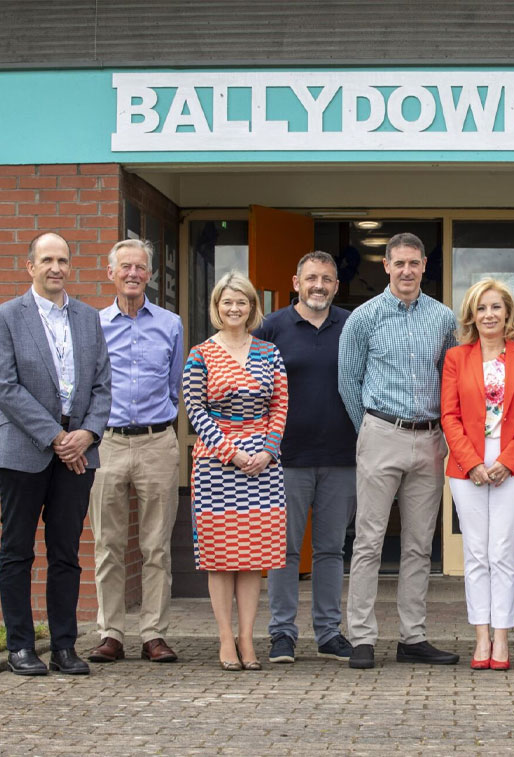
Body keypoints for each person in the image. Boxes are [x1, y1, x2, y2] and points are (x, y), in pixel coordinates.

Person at [338, 232, 459, 669]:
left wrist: (444, 432)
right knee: (368, 541)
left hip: (429, 438)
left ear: (425, 265)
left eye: (414, 262)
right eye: (399, 263)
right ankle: (362, 638)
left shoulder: (445, 319)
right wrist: (369, 429)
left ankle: (413, 637)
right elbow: (348, 380)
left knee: (419, 544)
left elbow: (451, 380)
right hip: (380, 432)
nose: (407, 270)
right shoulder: (364, 317)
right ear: (386, 266)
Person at [0, 232, 111, 676]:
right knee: (16, 552)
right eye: (46, 260)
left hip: (79, 453)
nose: (56, 268)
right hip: (24, 450)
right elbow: (5, 386)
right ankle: (22, 647)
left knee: (66, 551)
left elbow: (103, 383)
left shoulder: (87, 318)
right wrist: (54, 436)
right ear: (30, 266)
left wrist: (86, 433)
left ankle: (65, 646)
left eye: (62, 260)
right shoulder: (9, 316)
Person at [254, 251, 357, 665]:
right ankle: (282, 633)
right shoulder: (271, 327)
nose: (319, 285)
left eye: (327, 279)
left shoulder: (351, 325)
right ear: (296, 282)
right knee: (283, 550)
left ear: (335, 285)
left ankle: (328, 633)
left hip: (341, 456)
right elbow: (253, 387)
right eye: (311, 278)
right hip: (285, 458)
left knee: (332, 549)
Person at [183, 271, 288, 671]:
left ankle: (247, 639)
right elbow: (195, 409)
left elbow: (279, 405)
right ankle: (225, 639)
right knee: (220, 557)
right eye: (227, 302)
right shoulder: (201, 354)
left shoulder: (269, 353)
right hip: (215, 465)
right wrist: (231, 453)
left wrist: (267, 450)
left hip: (263, 464)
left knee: (252, 556)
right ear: (216, 307)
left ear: (252, 307)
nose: (234, 308)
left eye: (241, 301)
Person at [87, 239, 183, 665]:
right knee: (108, 543)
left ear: (150, 274)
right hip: (105, 442)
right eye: (124, 267)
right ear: (111, 273)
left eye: (140, 267)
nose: (132, 274)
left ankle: (154, 634)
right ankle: (110, 632)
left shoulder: (171, 323)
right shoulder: (92, 324)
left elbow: (176, 385)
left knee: (156, 546)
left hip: (157, 441)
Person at [441, 278, 514, 671]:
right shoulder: (456, 358)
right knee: (476, 553)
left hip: (511, 465)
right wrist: (473, 463)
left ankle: (501, 637)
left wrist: (507, 461)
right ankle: (480, 635)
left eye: (496, 307)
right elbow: (448, 415)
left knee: (501, 551)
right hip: (467, 465)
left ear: (508, 313)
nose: (489, 315)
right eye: (481, 308)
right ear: (472, 314)